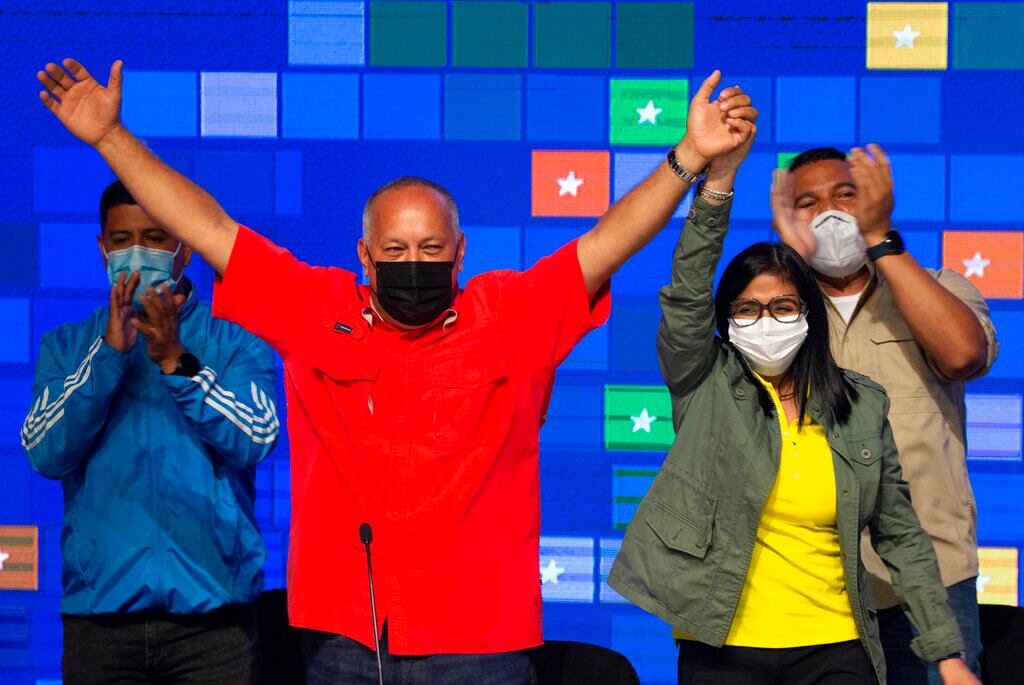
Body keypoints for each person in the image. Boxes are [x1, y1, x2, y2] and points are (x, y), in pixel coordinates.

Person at [34, 57, 757, 684]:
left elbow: (607, 239)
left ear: (460, 250)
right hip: (350, 644)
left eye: (431, 247)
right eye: (397, 250)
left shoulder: (514, 313)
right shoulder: (313, 307)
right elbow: (207, 227)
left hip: (484, 647)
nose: (416, 264)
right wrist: (109, 138)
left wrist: (687, 157)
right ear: (365, 254)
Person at [606, 128, 981, 685]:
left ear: (806, 317)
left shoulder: (860, 398)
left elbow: (900, 528)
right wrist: (720, 184)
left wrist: (948, 657)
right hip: (727, 636)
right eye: (748, 310)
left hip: (866, 620)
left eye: (784, 308)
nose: (767, 322)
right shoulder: (709, 382)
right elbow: (687, 296)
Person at [21, 180, 280, 684]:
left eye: (156, 237)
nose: (137, 253)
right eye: (122, 240)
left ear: (184, 245)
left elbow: (255, 437)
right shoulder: (67, 345)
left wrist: (177, 363)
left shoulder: (236, 340)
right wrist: (109, 356)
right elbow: (44, 452)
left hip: (215, 630)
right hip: (101, 627)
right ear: (103, 249)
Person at [771, 146, 998, 682]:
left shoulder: (939, 287)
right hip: (809, 585)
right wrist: (785, 274)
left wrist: (879, 239)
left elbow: (964, 355)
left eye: (845, 194)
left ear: (877, 199)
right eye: (808, 202)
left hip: (931, 581)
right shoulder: (774, 313)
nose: (829, 213)